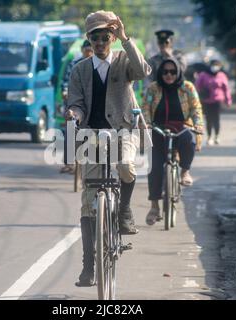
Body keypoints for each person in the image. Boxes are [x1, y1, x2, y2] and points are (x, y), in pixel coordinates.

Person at [64, 10, 151, 287]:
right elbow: (76, 102)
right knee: (89, 202)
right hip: (91, 133)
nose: (101, 41)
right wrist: (74, 115)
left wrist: (126, 38)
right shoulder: (79, 69)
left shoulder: (124, 60)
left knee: (126, 166)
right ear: (89, 40)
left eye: (105, 36)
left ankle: (124, 209)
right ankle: (89, 266)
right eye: (95, 37)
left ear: (112, 37)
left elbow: (143, 71)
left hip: (122, 130)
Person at [142, 57, 204, 225]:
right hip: (158, 130)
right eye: (165, 72)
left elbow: (196, 108)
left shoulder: (188, 87)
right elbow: (145, 108)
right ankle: (154, 206)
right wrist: (147, 124)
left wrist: (198, 125)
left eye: (172, 72)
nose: (169, 75)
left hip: (182, 127)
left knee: (189, 141)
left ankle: (185, 172)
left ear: (178, 73)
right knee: (154, 167)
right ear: (160, 73)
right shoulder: (153, 88)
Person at [59, 40, 93, 174]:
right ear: (82, 50)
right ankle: (69, 162)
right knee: (70, 127)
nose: (89, 52)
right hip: (76, 101)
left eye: (91, 50)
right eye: (86, 50)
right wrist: (65, 91)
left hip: (92, 103)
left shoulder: (99, 65)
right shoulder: (74, 64)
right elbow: (66, 81)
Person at [195, 59, 232, 146]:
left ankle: (217, 136)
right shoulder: (203, 75)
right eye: (214, 65)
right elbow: (197, 86)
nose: (215, 67)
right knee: (208, 119)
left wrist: (228, 100)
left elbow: (226, 89)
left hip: (217, 100)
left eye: (217, 66)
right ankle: (209, 137)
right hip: (206, 100)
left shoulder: (222, 75)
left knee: (216, 119)